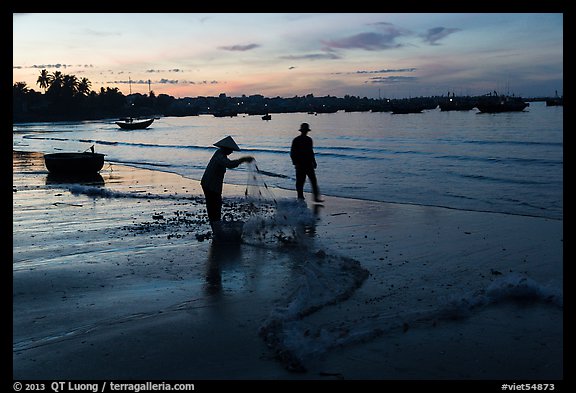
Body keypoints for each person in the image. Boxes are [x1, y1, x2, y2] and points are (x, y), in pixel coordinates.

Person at [201, 136, 254, 234]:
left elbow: (229, 164)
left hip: (210, 184)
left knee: (215, 207)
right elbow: (230, 164)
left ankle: (216, 229)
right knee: (214, 207)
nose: (231, 152)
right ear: (226, 148)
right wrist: (243, 159)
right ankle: (216, 230)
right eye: (231, 150)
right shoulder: (219, 156)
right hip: (210, 185)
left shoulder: (220, 154)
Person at [290, 122, 323, 202]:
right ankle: (301, 197)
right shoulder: (299, 140)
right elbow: (293, 152)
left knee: (311, 181)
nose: (306, 132)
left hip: (307, 163)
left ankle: (312, 197)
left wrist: (314, 161)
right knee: (302, 181)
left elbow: (311, 152)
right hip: (302, 164)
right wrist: (295, 162)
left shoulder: (307, 140)